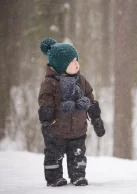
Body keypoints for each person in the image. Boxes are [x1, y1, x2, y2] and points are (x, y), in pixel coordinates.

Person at [38, 37, 105, 187]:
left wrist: (96, 119)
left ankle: (78, 176)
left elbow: (91, 99)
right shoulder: (50, 84)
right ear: (61, 65)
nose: (76, 64)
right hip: (56, 131)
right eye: (71, 61)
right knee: (54, 156)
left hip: (78, 130)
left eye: (76, 59)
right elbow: (45, 104)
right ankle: (54, 178)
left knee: (78, 155)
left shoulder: (81, 80)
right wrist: (46, 122)